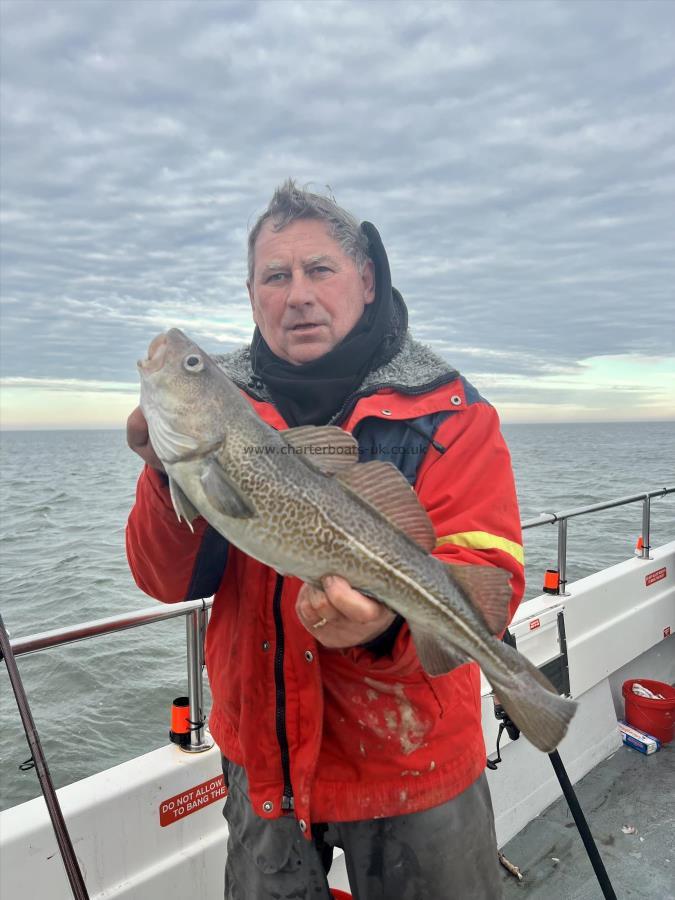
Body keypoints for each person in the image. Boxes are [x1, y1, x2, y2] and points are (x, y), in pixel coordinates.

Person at [126, 180, 525, 899]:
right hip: (264, 762)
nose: (297, 295)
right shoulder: (223, 419)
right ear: (251, 294)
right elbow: (167, 583)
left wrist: (382, 628)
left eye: (319, 270)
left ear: (366, 281)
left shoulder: (450, 411)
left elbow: (484, 568)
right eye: (275, 276)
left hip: (414, 764)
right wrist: (165, 476)